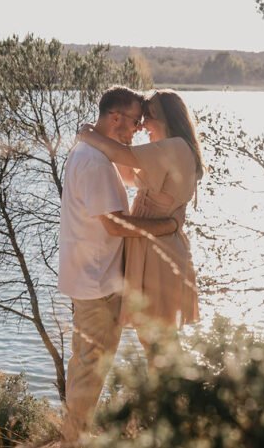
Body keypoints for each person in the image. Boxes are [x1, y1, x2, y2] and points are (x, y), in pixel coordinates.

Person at [58, 86, 183, 445]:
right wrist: (166, 228)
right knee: (89, 371)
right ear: (115, 118)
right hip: (97, 285)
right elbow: (114, 224)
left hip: (88, 279)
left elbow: (133, 175)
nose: (137, 130)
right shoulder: (95, 162)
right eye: (133, 122)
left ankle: (72, 437)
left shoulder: (93, 153)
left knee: (83, 365)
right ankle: (73, 441)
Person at [76, 88, 202, 355]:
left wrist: (88, 134)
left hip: (159, 253)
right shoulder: (166, 153)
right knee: (153, 340)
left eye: (149, 116)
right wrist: (124, 138)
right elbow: (127, 174)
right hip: (151, 247)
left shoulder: (176, 147)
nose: (143, 125)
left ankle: (174, 395)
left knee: (159, 341)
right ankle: (170, 395)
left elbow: (118, 155)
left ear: (168, 117)